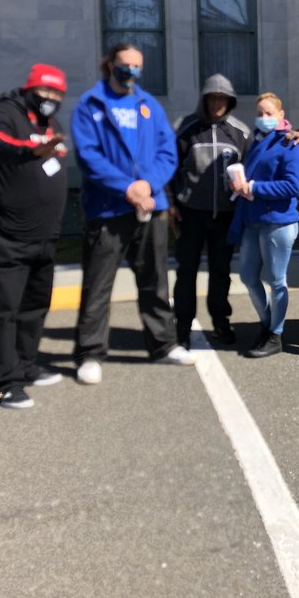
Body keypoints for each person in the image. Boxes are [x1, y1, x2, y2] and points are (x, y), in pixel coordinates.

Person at [70, 43, 196, 384]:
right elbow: (88, 155)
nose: (131, 71)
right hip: (108, 208)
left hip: (149, 208)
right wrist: (127, 188)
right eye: (125, 65)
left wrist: (147, 184)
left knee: (155, 279)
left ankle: (163, 344)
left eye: (137, 66)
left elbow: (167, 152)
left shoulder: (148, 105)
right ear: (110, 64)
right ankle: (90, 353)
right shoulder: (90, 105)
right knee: (98, 284)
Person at [0, 63, 69, 408]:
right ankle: (1, 381)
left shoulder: (49, 124)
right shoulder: (3, 114)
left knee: (33, 306)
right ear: (30, 90)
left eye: (58, 94)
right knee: (1, 310)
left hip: (42, 237)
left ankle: (24, 366)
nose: (51, 99)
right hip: (2, 235)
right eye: (46, 92)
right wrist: (30, 151)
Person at [171, 74, 251, 347]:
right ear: (204, 99)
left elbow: (250, 169)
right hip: (190, 214)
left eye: (223, 98)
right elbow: (169, 169)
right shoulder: (185, 129)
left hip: (224, 217)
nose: (217, 103)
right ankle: (182, 328)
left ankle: (221, 323)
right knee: (186, 271)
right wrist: (171, 204)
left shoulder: (240, 132)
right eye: (213, 98)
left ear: (230, 101)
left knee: (220, 272)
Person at [227, 92, 299, 358]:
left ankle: (275, 333)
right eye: (259, 113)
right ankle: (268, 324)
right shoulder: (257, 140)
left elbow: (293, 186)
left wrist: (253, 187)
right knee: (248, 276)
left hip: (278, 222)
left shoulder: (290, 143)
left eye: (269, 113)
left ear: (281, 116)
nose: (263, 118)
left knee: (277, 280)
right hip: (253, 220)